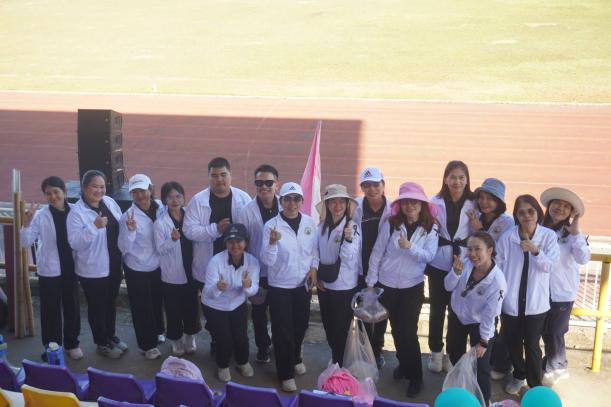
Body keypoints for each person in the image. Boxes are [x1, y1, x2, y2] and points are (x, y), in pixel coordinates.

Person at [367, 182, 438, 397]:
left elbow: (429, 256)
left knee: (408, 332)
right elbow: (377, 253)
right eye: (406, 202)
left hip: (411, 287)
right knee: (396, 330)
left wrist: (410, 247)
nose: (410, 206)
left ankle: (416, 377)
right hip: (387, 285)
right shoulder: (391, 224)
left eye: (414, 202)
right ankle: (404, 365)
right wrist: (371, 283)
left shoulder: (431, 227)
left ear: (422, 204)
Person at [183, 157, 251, 353]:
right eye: (214, 176)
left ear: (231, 175)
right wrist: (215, 229)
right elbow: (188, 230)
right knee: (212, 310)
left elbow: (250, 229)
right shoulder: (198, 201)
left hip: (236, 264)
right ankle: (217, 343)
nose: (219, 179)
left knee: (237, 308)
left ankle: (236, 346)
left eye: (223, 175)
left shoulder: (243, 198)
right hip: (208, 266)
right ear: (208, 177)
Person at [496, 195, 559, 394]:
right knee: (513, 343)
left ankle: (534, 385)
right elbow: (498, 267)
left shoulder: (548, 236)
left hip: (536, 304)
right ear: (516, 215)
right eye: (521, 212)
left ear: (538, 213)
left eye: (531, 211)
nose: (526, 216)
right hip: (511, 303)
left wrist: (536, 251)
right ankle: (518, 374)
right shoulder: (507, 238)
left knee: (532, 345)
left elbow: (550, 266)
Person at [260, 182, 318, 392]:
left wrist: (314, 267)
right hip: (280, 287)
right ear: (281, 201)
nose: (292, 203)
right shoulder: (271, 226)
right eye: (287, 199)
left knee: (300, 326)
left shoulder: (310, 223)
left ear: (302, 201)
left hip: (302, 286)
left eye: (296, 199)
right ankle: (285, 374)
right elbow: (266, 260)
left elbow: (314, 251)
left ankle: (295, 358)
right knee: (283, 330)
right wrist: (272, 243)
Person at [21, 176, 82, 360]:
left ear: (64, 192)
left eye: (56, 192)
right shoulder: (40, 215)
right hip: (49, 270)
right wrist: (26, 224)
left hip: (71, 267)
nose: (53, 197)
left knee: (72, 307)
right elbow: (26, 242)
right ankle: (52, 346)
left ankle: (72, 343)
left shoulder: (77, 211)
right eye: (48, 194)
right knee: (50, 310)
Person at [67, 170, 126, 358]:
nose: (99, 190)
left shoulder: (109, 202)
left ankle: (111, 336)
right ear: (84, 188)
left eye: (102, 186)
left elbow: (120, 223)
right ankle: (102, 343)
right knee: (97, 307)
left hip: (113, 265)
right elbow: (75, 243)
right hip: (92, 270)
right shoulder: (76, 213)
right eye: (94, 186)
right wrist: (94, 226)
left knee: (110, 303)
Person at [444, 231, 507, 406]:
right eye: (469, 249)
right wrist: (455, 273)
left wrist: (484, 341)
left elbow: (490, 314)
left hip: (481, 324)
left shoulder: (497, 281)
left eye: (478, 249)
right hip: (458, 317)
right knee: (454, 353)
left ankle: (483, 401)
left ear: (489, 251)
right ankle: (462, 390)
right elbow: (448, 286)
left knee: (481, 366)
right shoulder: (464, 264)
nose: (472, 254)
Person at [426, 160, 475, 373]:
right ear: (445, 179)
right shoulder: (434, 202)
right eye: (453, 177)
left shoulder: (474, 204)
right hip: (439, 261)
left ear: (467, 180)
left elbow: (478, 232)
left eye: (461, 177)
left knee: (457, 311)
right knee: (437, 309)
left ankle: (453, 354)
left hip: (463, 263)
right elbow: (426, 227)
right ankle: (436, 352)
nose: (457, 181)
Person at [540, 187, 590, 386]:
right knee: (543, 331)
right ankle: (549, 365)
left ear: (571, 212)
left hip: (561, 293)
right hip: (539, 291)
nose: (560, 208)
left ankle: (557, 367)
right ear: (549, 206)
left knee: (555, 332)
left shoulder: (572, 234)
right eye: (557, 204)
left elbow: (583, 258)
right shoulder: (538, 228)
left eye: (566, 206)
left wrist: (576, 234)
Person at [467, 178, 514, 380]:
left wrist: (480, 229)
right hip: (477, 276)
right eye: (482, 197)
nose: (484, 202)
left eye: (490, 198)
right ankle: (480, 360)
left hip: (495, 277)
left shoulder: (507, 222)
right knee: (480, 318)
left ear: (499, 201)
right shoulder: (476, 216)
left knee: (493, 319)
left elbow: (498, 251)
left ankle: (497, 363)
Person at [202, 223, 259, 382]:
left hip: (237, 303)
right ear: (225, 243)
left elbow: (254, 290)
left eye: (239, 241)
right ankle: (223, 365)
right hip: (214, 305)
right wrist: (217, 288)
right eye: (230, 242)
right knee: (224, 338)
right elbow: (207, 291)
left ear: (246, 242)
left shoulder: (253, 262)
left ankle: (242, 362)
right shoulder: (215, 261)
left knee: (241, 336)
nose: (235, 246)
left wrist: (248, 286)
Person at [236, 164, 280, 364]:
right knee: (259, 313)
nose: (264, 187)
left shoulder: (286, 205)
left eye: (268, 182)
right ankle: (263, 348)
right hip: (257, 271)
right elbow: (241, 242)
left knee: (280, 312)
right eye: (259, 183)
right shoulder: (246, 211)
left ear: (276, 184)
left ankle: (280, 344)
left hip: (280, 272)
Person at [118, 174, 165, 359]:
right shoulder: (127, 217)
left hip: (157, 265)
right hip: (136, 268)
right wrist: (130, 231)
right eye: (135, 192)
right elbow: (123, 247)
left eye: (143, 190)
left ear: (151, 189)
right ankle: (147, 345)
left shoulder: (161, 207)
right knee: (142, 307)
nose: (140, 195)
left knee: (156, 301)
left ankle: (158, 330)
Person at [154, 181, 202, 357]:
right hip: (172, 275)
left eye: (178, 196)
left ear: (183, 197)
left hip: (192, 271)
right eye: (170, 197)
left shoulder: (191, 216)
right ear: (164, 200)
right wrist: (172, 240)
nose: (175, 200)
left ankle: (190, 336)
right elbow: (159, 250)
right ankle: (176, 339)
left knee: (191, 307)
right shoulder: (160, 223)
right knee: (173, 309)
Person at [315, 184, 360, 365]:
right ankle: (336, 358)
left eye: (342, 202)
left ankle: (340, 365)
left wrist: (348, 240)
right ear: (327, 204)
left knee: (341, 329)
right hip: (325, 284)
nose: (337, 206)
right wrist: (317, 276)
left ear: (347, 204)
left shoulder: (352, 227)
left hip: (344, 287)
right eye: (333, 202)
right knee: (329, 326)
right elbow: (316, 251)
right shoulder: (321, 227)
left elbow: (350, 257)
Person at [351, 166, 391, 368]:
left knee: (381, 313)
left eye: (376, 184)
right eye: (367, 185)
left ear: (383, 185)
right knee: (363, 313)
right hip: (361, 267)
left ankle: (377, 349)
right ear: (362, 188)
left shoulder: (393, 209)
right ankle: (363, 349)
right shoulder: (355, 207)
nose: (372, 189)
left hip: (385, 269)